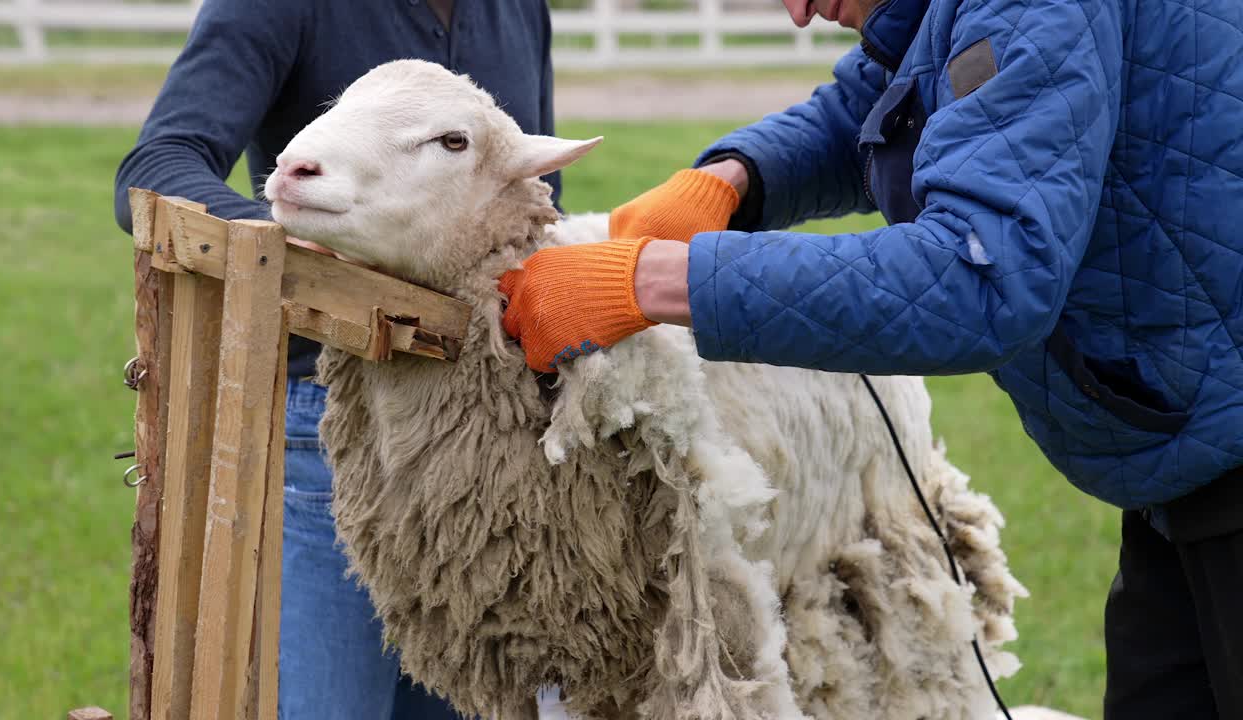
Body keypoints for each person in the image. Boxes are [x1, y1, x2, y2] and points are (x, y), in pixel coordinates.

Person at [499, 0, 1243, 718]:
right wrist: (734, 178)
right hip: (1187, 457)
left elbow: (976, 275)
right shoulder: (947, 13)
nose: (796, 13)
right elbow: (894, 104)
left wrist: (655, 281)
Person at [112, 1, 557, 717]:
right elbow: (158, 163)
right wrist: (279, 242)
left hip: (483, 458)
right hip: (333, 430)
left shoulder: (516, 9)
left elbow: (524, 194)